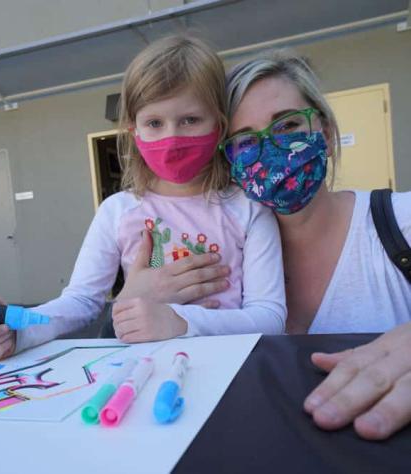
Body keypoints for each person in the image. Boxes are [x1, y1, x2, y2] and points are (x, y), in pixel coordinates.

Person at [113, 47, 411, 440]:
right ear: (227, 157)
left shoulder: (398, 222)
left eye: (287, 125)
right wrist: (123, 308)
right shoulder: (211, 256)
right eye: (245, 140)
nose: (271, 149)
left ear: (322, 127)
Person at [0, 36, 286, 361]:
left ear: (219, 124)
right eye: (154, 122)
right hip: (143, 375)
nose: (172, 137)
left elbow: (269, 316)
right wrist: (18, 330)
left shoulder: (249, 208)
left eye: (190, 120)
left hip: (233, 370)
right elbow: (81, 300)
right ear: (134, 132)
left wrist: (180, 323)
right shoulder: (117, 211)